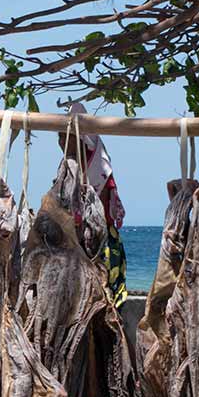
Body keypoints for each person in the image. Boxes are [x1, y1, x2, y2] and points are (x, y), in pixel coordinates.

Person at [59, 102, 129, 308]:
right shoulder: (69, 168)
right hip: (76, 245)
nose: (62, 142)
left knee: (103, 304)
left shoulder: (95, 167)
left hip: (99, 245)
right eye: (59, 137)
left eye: (66, 136)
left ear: (81, 138)